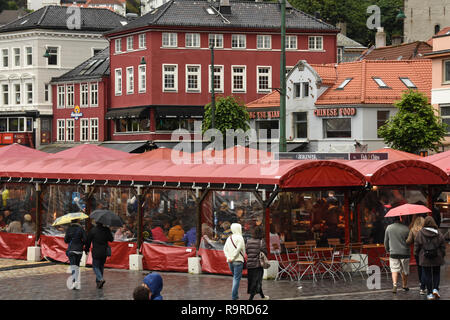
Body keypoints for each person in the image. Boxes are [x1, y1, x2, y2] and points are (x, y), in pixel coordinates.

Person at [414, 216, 446, 300]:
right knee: (436, 273)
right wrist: (442, 254)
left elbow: (416, 245)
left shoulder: (420, 233)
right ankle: (435, 288)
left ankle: (430, 293)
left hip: (424, 257)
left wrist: (416, 254)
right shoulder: (438, 233)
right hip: (437, 257)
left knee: (427, 275)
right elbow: (443, 245)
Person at [384, 216, 410, 293]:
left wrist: (387, 250)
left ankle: (395, 285)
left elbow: (386, 241)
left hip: (393, 253)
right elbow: (409, 241)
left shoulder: (389, 228)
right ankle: (404, 285)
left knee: (394, 270)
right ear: (400, 220)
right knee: (404, 270)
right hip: (405, 253)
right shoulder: (406, 228)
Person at [85, 221, 113, 289]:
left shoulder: (93, 230)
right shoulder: (106, 230)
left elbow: (88, 241)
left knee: (95, 266)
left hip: (96, 251)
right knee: (101, 266)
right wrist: (109, 232)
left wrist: (86, 249)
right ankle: (99, 283)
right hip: (104, 251)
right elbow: (111, 239)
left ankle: (100, 279)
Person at [245, 226, 269, 300]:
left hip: (250, 264)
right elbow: (265, 252)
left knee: (254, 281)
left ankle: (262, 296)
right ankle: (250, 299)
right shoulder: (261, 241)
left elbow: (247, 251)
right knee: (256, 282)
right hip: (258, 265)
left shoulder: (248, 241)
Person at [224, 223, 246, 300]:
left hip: (230, 261)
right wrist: (233, 257)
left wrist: (229, 257)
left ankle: (235, 295)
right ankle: (234, 296)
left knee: (235, 278)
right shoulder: (240, 238)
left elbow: (225, 249)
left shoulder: (229, 238)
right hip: (238, 261)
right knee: (236, 279)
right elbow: (239, 249)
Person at [64, 219, 87, 290]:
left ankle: (75, 282)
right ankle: (76, 281)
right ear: (78, 222)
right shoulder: (81, 229)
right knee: (76, 266)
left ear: (71, 222)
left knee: (73, 266)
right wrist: (81, 243)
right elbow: (85, 240)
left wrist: (71, 239)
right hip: (79, 250)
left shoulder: (68, 229)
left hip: (71, 250)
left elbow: (65, 240)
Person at [406, 216, 425, 295]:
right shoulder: (425, 230)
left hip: (417, 252)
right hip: (425, 252)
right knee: (425, 268)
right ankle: (424, 285)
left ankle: (421, 283)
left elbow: (409, 241)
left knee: (420, 268)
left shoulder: (413, 230)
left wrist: (405, 239)